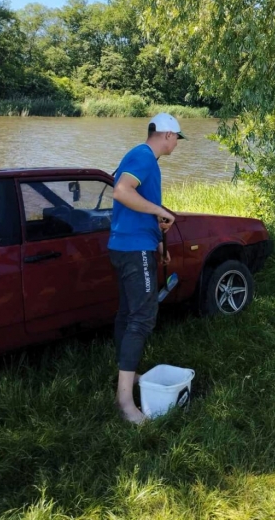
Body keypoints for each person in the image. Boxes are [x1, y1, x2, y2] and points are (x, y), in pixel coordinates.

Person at [108, 112, 187, 423]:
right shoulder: (143, 156)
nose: (177, 145)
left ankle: (126, 375)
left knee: (128, 314)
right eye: (177, 139)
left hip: (130, 246)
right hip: (132, 249)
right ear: (167, 135)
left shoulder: (144, 159)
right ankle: (125, 401)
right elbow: (121, 191)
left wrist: (156, 242)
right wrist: (162, 210)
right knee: (142, 317)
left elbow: (132, 208)